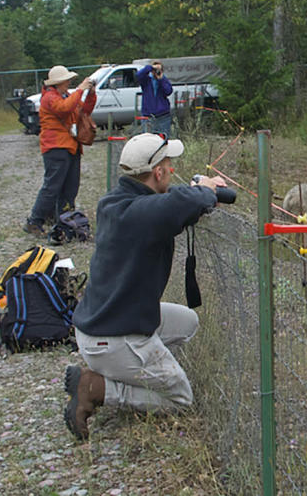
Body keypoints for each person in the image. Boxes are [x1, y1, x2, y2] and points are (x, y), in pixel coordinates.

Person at [63, 132, 226, 440]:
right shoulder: (140, 214)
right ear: (158, 172)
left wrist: (195, 193)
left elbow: (170, 204)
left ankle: (140, 370)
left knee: (187, 322)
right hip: (111, 337)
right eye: (169, 165)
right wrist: (205, 191)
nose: (172, 170)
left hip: (105, 322)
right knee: (181, 398)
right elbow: (178, 204)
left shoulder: (119, 202)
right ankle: (98, 388)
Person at [24, 65, 98, 235]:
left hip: (69, 146)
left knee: (70, 186)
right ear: (59, 82)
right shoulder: (50, 97)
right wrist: (80, 89)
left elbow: (82, 110)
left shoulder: (64, 95)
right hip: (56, 147)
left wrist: (91, 94)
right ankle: (35, 220)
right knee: (52, 187)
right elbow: (64, 108)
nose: (69, 83)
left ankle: (65, 218)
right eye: (67, 81)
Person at [136, 60, 173, 136]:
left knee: (163, 140)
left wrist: (161, 80)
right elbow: (138, 75)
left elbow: (168, 91)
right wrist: (150, 67)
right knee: (148, 141)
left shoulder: (164, 80)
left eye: (158, 70)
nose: (156, 72)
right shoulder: (146, 80)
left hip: (163, 116)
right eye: (154, 70)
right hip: (148, 116)